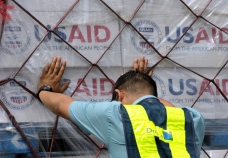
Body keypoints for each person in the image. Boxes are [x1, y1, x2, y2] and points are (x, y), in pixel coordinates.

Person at [36, 56, 205, 158]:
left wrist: (44, 88)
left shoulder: (115, 114)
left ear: (119, 95)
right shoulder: (192, 118)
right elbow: (167, 108)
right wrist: (142, 83)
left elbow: (60, 105)